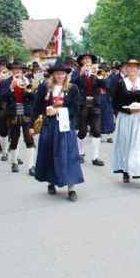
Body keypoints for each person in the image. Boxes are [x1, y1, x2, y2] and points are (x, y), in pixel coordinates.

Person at [30, 59, 84, 201]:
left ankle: (71, 188)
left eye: (62, 73)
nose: (60, 76)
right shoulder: (45, 87)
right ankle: (51, 182)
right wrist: (31, 125)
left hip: (65, 126)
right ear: (53, 74)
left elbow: (75, 109)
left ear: (66, 74)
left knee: (69, 155)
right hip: (49, 125)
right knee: (50, 153)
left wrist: (58, 111)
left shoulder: (72, 88)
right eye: (57, 73)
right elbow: (36, 106)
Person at [111, 57, 140, 190]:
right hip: (126, 118)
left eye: (135, 67)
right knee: (127, 145)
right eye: (129, 67)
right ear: (125, 69)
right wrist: (128, 110)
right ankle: (126, 170)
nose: (132, 69)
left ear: (138, 69)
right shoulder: (120, 83)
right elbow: (115, 103)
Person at [2, 60, 36, 175]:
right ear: (11, 70)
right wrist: (11, 88)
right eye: (14, 69)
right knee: (14, 138)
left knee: (29, 138)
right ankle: (14, 162)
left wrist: (28, 89)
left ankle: (31, 166)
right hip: (13, 113)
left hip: (26, 113)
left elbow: (33, 97)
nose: (17, 71)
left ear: (22, 71)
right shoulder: (6, 82)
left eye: (19, 69)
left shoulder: (27, 80)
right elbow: (2, 98)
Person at [74, 53, 106, 166]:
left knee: (96, 131)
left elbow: (104, 85)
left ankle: (95, 157)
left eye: (89, 59)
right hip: (82, 104)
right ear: (81, 61)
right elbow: (72, 84)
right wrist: (81, 74)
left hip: (95, 104)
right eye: (85, 59)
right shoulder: (77, 72)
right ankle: (80, 153)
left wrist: (97, 75)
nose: (88, 61)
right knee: (82, 131)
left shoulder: (96, 72)